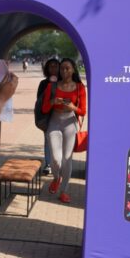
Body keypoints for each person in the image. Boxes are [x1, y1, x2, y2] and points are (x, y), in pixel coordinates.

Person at [41, 58, 87, 204]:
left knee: (67, 158)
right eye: (62, 69)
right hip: (54, 120)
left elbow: (83, 111)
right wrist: (53, 102)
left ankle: (64, 191)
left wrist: (73, 107)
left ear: (73, 69)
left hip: (70, 122)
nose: (64, 71)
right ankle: (56, 177)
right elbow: (44, 109)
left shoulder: (80, 87)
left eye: (67, 68)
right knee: (55, 157)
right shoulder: (52, 86)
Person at [36, 59, 60, 176]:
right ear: (47, 69)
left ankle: (59, 165)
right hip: (48, 116)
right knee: (48, 140)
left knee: (61, 142)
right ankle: (48, 164)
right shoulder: (43, 83)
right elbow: (39, 101)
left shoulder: (65, 82)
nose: (53, 69)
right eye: (51, 67)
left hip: (61, 116)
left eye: (56, 66)